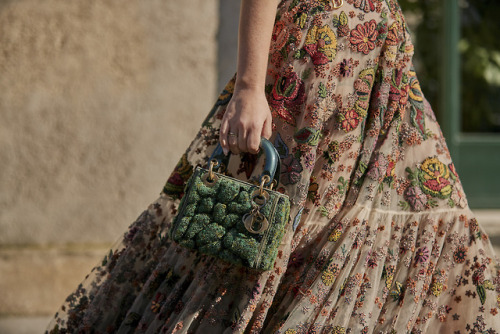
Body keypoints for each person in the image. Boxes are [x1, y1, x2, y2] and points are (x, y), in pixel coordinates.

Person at [46, 0, 500, 333]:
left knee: (430, 220)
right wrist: (248, 86)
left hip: (381, 69)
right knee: (269, 232)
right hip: (317, 63)